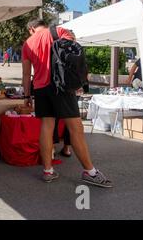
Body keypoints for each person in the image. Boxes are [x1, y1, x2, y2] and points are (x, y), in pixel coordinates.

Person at [22, 19, 112, 187]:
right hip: (60, 86)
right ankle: (90, 171)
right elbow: (75, 55)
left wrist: (27, 96)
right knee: (76, 128)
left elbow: (26, 74)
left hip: (40, 89)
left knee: (46, 127)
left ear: (31, 29)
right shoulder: (59, 31)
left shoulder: (27, 44)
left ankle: (48, 171)